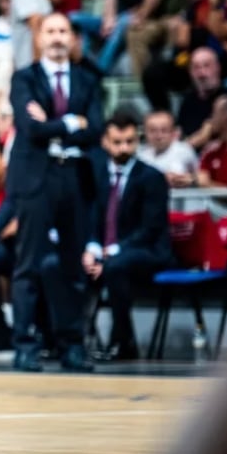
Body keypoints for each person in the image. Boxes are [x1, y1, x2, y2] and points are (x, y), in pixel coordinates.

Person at [7, 12, 104, 372]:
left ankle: (72, 346)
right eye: (51, 31)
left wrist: (51, 125)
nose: (58, 37)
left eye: (64, 31)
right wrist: (67, 122)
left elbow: (95, 129)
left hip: (74, 177)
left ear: (72, 38)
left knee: (72, 268)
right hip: (37, 178)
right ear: (40, 39)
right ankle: (25, 346)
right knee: (28, 265)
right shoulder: (24, 78)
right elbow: (29, 129)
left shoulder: (87, 79)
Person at [82, 111, 171, 361]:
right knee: (59, 264)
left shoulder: (152, 177)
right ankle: (67, 341)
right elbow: (90, 219)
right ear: (105, 142)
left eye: (130, 141)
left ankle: (123, 342)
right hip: (107, 253)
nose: (124, 148)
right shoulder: (95, 174)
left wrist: (109, 253)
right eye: (117, 142)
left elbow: (150, 229)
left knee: (116, 266)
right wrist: (91, 248)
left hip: (147, 252)